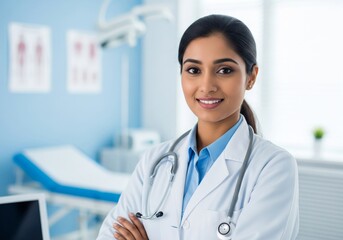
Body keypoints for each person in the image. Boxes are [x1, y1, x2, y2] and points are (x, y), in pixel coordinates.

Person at [97, 14, 299, 240]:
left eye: (224, 70)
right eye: (194, 70)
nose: (206, 86)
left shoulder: (273, 166)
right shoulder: (154, 161)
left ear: (251, 77)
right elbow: (109, 235)